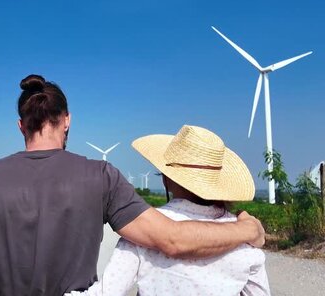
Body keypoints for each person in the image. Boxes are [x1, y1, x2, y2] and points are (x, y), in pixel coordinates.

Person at [0, 75, 265, 296]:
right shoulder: (99, 176)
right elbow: (172, 239)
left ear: (20, 125)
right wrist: (246, 231)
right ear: (67, 120)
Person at [66, 125, 271, 296]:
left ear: (166, 178)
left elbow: (106, 293)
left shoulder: (145, 233)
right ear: (219, 181)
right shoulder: (246, 240)